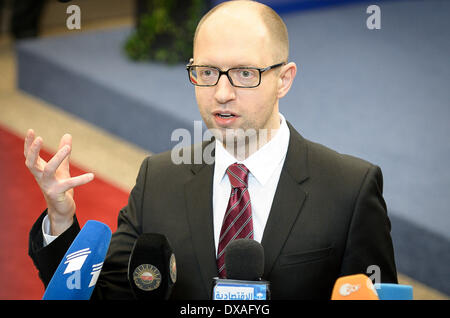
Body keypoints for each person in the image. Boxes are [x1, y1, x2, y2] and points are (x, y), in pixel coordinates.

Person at [25, 0, 397, 300]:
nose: (222, 93)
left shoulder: (349, 189)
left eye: (245, 73)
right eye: (207, 72)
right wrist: (60, 219)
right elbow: (108, 296)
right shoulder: (158, 179)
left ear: (284, 79)